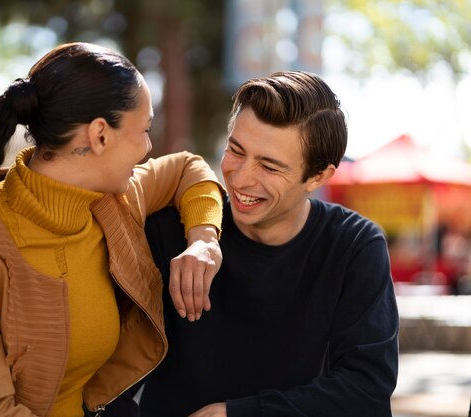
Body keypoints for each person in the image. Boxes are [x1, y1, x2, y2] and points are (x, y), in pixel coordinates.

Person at [0, 42, 225, 417]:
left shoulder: (112, 199)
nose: (148, 148)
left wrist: (204, 240)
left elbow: (187, 168)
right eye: (144, 130)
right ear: (99, 135)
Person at [133, 71, 399, 416]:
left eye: (270, 167)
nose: (241, 178)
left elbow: (367, 389)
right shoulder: (174, 232)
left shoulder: (353, 246)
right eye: (236, 150)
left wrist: (234, 413)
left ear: (318, 177)